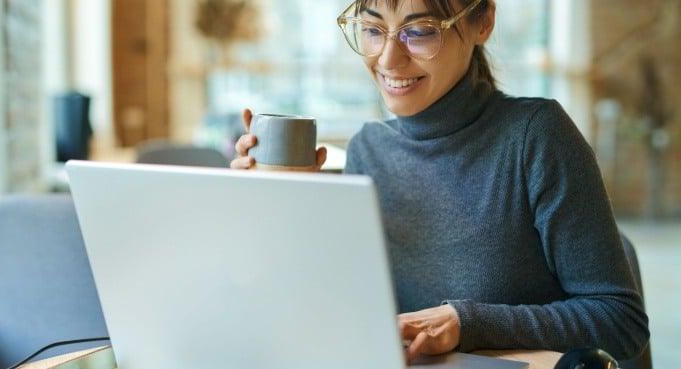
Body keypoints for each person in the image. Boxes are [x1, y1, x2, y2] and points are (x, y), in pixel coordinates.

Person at [231, 0, 649, 364]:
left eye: (420, 32)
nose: (388, 59)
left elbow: (619, 319)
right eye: (373, 30)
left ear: (482, 22)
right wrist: (289, 211)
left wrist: (468, 323)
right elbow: (342, 313)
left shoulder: (536, 137)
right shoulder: (368, 150)